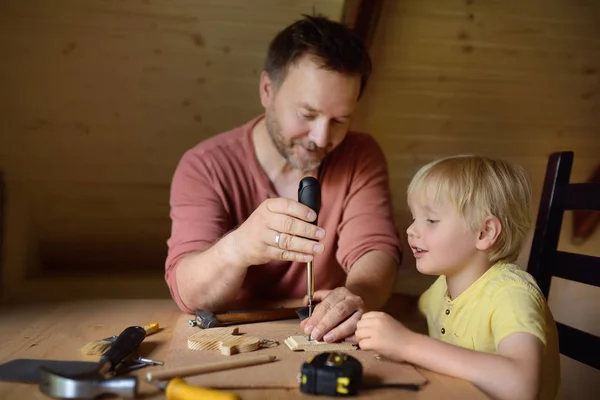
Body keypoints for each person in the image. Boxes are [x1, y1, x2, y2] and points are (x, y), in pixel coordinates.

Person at [165, 14, 402, 343]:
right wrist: (237, 248)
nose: (320, 138)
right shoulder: (203, 166)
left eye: (340, 120)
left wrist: (355, 295)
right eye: (307, 114)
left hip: (319, 338)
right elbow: (188, 291)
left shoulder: (360, 155)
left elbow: (375, 248)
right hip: (233, 341)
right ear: (267, 90)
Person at [355, 155, 561, 400]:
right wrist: (355, 303)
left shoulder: (511, 294)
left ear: (485, 232)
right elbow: (414, 309)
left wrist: (407, 344)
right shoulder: (444, 286)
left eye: (431, 220)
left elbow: (521, 385)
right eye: (414, 218)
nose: (411, 230)